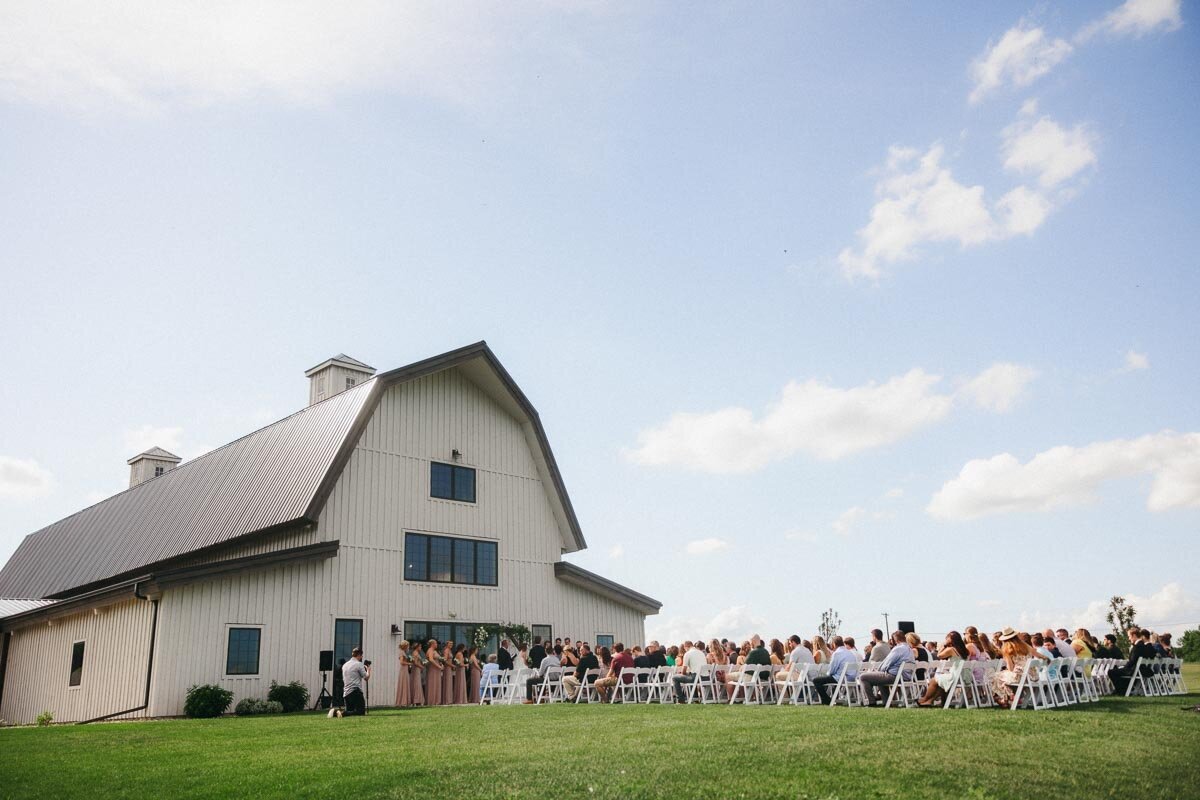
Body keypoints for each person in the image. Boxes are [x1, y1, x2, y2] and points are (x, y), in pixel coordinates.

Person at [858, 631, 912, 707]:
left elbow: (887, 662)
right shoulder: (909, 648)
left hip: (895, 676)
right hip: (905, 676)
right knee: (880, 677)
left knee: (863, 677)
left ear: (895, 640)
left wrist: (879, 670)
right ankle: (886, 702)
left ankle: (871, 702)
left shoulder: (898, 649)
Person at [916, 632, 968, 707]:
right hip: (963, 676)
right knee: (941, 683)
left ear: (950, 639)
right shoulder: (964, 650)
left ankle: (924, 699)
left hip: (955, 676)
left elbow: (939, 655)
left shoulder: (951, 649)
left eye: (947, 638)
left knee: (934, 680)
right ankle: (929, 701)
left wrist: (944, 645)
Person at [990, 627, 1037, 707]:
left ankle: (1006, 698)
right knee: (1003, 679)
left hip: (1020, 676)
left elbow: (1011, 668)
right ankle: (1009, 697)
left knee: (995, 676)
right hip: (1032, 676)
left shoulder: (1007, 649)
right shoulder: (1026, 647)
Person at [812, 636, 857, 705]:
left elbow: (832, 669)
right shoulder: (850, 653)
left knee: (816, 680)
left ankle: (827, 700)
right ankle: (831, 699)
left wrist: (827, 674)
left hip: (841, 678)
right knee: (829, 678)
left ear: (833, 644)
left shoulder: (837, 653)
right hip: (852, 678)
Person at [1111, 628, 1157, 695]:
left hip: (1135, 671)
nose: (1129, 639)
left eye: (1129, 636)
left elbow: (1132, 661)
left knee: (1111, 672)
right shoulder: (1145, 646)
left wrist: (1124, 668)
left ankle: (1121, 691)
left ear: (1134, 635)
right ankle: (1122, 689)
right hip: (1143, 670)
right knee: (1118, 671)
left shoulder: (1137, 647)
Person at [672, 635, 709, 702]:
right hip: (706, 677)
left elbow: (683, 670)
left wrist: (685, 673)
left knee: (674, 678)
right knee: (691, 676)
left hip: (696, 678)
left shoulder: (688, 653)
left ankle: (680, 699)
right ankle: (695, 699)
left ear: (686, 647)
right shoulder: (701, 652)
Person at [341, 647, 370, 716]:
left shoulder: (345, 665)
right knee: (361, 712)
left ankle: (336, 713)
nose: (361, 657)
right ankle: (343, 713)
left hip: (346, 693)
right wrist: (368, 670)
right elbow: (366, 677)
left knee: (350, 712)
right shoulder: (359, 664)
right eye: (361, 656)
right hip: (355, 692)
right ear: (359, 655)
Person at [395, 640, 412, 707]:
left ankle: (405, 701)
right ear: (405, 646)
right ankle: (402, 702)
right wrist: (409, 663)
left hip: (405, 669)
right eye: (407, 645)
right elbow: (401, 662)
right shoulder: (401, 652)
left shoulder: (404, 652)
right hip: (403, 669)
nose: (408, 647)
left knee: (405, 684)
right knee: (403, 684)